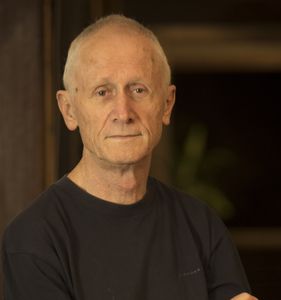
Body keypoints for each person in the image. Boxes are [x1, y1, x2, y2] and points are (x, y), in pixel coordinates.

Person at [2, 14, 258, 300]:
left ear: (166, 104)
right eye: (102, 92)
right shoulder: (34, 238)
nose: (123, 113)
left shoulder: (200, 225)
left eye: (138, 90)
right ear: (69, 109)